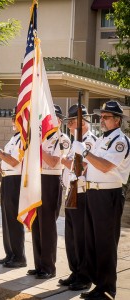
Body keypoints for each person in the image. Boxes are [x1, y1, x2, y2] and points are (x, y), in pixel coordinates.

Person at [72, 100, 130, 300]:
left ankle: (107, 290)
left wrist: (85, 152)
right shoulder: (102, 139)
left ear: (117, 120)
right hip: (93, 193)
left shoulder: (120, 141)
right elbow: (91, 165)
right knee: (93, 242)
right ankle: (98, 286)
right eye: (101, 117)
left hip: (108, 195)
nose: (102, 120)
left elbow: (105, 166)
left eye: (106, 117)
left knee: (105, 243)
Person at [27, 104, 71, 279]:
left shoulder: (63, 138)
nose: (47, 121)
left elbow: (54, 162)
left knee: (48, 226)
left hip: (51, 180)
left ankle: (49, 267)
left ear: (59, 120)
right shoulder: (41, 138)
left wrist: (36, 147)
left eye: (51, 118)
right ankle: (39, 264)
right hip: (38, 179)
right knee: (37, 224)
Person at [59, 104, 97, 291]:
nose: (71, 125)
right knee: (71, 238)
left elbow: (79, 167)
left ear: (83, 122)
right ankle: (75, 272)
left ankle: (84, 276)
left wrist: (65, 160)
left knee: (82, 238)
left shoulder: (89, 142)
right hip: (71, 192)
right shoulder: (76, 141)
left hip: (82, 194)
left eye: (73, 121)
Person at [0, 107, 26, 268]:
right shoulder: (13, 139)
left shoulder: (23, 139)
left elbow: (14, 161)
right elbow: (5, 161)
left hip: (16, 180)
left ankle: (19, 256)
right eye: (14, 119)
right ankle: (10, 253)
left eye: (18, 119)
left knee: (14, 219)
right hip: (7, 180)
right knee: (6, 218)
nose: (14, 122)